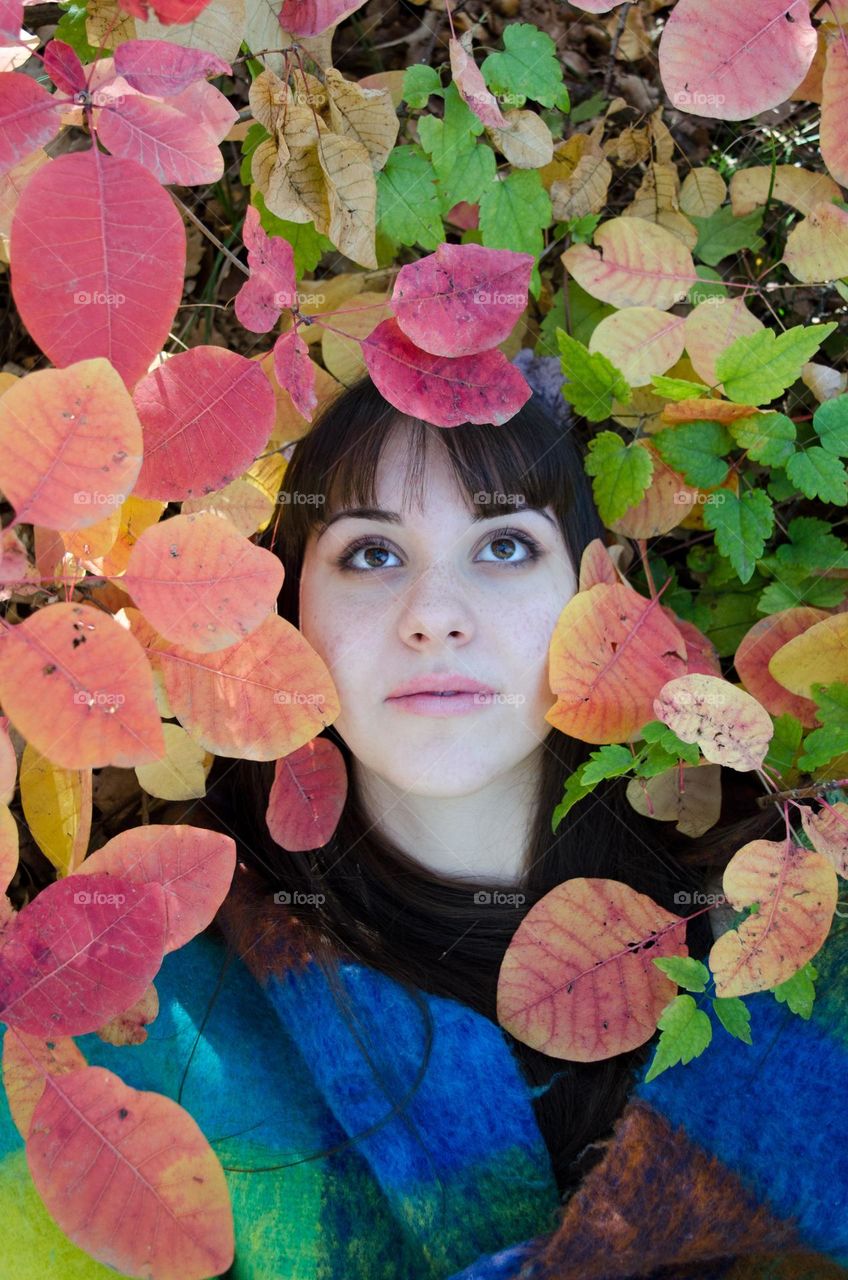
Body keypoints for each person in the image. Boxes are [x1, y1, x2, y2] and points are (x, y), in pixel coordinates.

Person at [1, 372, 846, 1279]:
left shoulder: (799, 950)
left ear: (596, 602)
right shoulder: (126, 1039)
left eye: (506, 547)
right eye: (371, 554)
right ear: (291, 618)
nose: (434, 617)